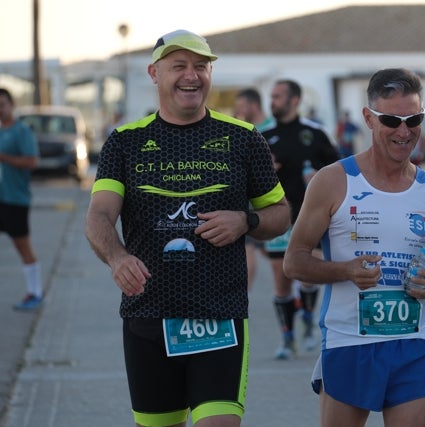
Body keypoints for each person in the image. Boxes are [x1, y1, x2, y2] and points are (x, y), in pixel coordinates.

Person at [84, 29, 290, 427]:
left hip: (218, 316)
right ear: (154, 73)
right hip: (147, 315)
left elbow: (280, 212)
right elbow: (98, 216)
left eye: (201, 66)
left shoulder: (244, 139)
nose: (191, 76)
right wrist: (117, 256)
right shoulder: (125, 141)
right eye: (179, 66)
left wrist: (245, 220)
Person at [283, 68, 425, 427]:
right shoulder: (333, 181)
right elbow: (294, 262)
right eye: (392, 120)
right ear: (368, 118)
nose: (405, 131)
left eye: (415, 119)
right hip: (349, 340)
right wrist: (345, 271)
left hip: (413, 339)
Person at [260, 79, 341, 360]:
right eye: (271, 96)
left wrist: (318, 174)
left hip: (312, 218)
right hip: (276, 218)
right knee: (281, 281)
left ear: (294, 100)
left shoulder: (315, 133)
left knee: (309, 276)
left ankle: (308, 319)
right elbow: (244, 178)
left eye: (278, 96)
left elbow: (340, 170)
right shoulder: (261, 135)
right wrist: (264, 171)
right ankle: (287, 337)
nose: (272, 101)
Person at [0, 88, 43, 311]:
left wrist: (4, 157)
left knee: (22, 247)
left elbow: (32, 162)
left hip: (15, 199)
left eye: (2, 104)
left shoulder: (21, 131)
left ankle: (35, 292)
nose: (0, 109)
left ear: (11, 105)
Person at [234, 87, 275, 291]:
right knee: (248, 248)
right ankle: (243, 297)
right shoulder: (243, 131)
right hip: (247, 200)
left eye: (242, 106)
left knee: (274, 253)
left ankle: (297, 295)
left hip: (274, 201)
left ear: (254, 105)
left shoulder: (273, 129)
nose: (238, 110)